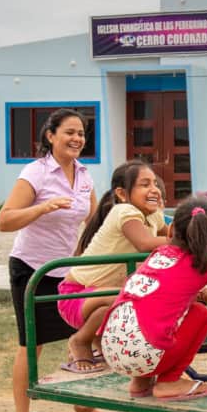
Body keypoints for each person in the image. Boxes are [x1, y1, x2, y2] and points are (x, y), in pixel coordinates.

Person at [0, 108, 116, 412]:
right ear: (51, 136)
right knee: (30, 347)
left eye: (81, 133)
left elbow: (94, 223)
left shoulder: (84, 176)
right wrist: (42, 208)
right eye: (69, 132)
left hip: (68, 272)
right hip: (31, 271)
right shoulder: (35, 173)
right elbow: (5, 220)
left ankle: (82, 409)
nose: (77, 138)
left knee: (79, 339)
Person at [98, 196, 207, 400]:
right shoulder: (202, 264)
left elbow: (168, 291)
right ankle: (169, 382)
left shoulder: (158, 253)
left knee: (150, 321)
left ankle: (140, 382)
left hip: (111, 350)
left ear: (170, 230)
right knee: (201, 313)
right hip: (142, 355)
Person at [56, 160, 168, 374]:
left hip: (104, 297)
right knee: (133, 295)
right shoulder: (124, 211)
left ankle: (98, 341)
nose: (154, 189)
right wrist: (188, 241)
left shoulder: (154, 215)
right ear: (122, 194)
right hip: (75, 295)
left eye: (155, 183)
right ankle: (80, 340)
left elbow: (174, 234)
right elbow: (144, 243)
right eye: (145, 184)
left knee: (131, 296)